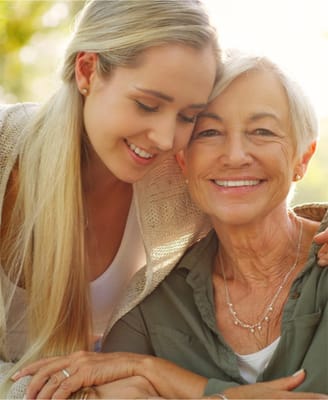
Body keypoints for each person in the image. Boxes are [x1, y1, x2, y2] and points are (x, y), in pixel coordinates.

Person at [16, 51, 328, 400]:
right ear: (182, 159)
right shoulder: (154, 302)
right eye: (209, 132)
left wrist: (159, 374)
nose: (236, 154)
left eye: (262, 131)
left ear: (303, 157)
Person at [0, 0, 223, 397]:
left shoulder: (179, 188)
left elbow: (262, 209)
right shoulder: (5, 150)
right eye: (147, 105)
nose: (165, 138)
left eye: (188, 116)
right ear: (86, 70)